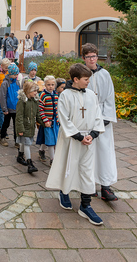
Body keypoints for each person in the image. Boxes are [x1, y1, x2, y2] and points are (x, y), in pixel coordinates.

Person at [46, 63, 105, 226]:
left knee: (87, 171)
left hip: (89, 140)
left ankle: (85, 206)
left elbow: (98, 116)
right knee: (68, 166)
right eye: (86, 79)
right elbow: (64, 118)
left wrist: (92, 135)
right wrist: (79, 136)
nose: (88, 82)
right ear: (76, 79)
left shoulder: (92, 95)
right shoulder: (65, 95)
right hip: (71, 138)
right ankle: (64, 192)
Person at [83, 43, 118, 201]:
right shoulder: (81, 73)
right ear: (84, 58)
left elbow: (110, 97)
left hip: (103, 117)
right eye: (89, 56)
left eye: (94, 56)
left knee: (104, 152)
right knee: (88, 153)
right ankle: (89, 185)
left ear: (97, 56)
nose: (92, 59)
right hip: (86, 118)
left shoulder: (105, 74)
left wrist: (106, 118)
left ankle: (105, 186)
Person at [16, 81, 44, 173]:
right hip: (24, 126)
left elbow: (38, 114)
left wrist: (43, 123)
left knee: (24, 142)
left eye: (36, 90)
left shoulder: (35, 101)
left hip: (31, 126)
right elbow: (19, 116)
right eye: (34, 91)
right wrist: (20, 128)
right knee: (27, 144)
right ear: (28, 91)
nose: (36, 92)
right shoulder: (22, 102)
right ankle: (29, 163)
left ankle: (20, 155)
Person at [36, 75, 59, 166]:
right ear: (45, 85)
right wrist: (45, 120)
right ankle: (53, 160)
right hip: (47, 122)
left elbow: (58, 108)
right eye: (48, 84)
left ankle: (41, 150)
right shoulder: (43, 95)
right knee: (50, 141)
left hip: (55, 121)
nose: (51, 86)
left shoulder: (56, 94)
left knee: (54, 140)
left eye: (53, 84)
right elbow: (40, 109)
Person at [0, 63, 20, 147]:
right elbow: (2, 96)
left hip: (16, 108)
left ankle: (17, 140)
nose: (16, 76)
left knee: (16, 125)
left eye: (17, 74)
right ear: (10, 74)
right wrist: (4, 108)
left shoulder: (18, 83)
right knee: (6, 123)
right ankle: (2, 137)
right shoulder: (5, 83)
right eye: (14, 74)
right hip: (8, 108)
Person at [0, 58, 11, 129]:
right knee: (2, 110)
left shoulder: (8, 72)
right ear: (1, 66)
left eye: (7, 68)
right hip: (1, 93)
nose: (6, 69)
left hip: (7, 93)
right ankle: (2, 126)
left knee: (7, 110)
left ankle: (4, 123)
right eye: (5, 68)